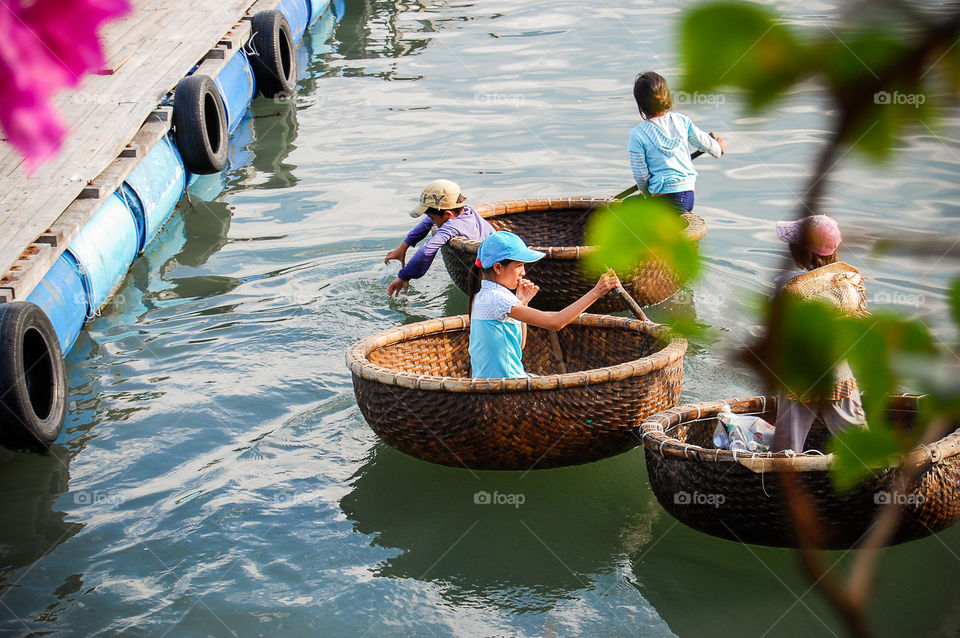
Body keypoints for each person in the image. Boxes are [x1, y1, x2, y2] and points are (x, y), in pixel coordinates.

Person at [770, 215, 869, 452]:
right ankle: (875, 477)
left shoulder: (789, 287)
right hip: (836, 373)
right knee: (856, 434)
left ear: (802, 254)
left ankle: (780, 485)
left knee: (786, 447)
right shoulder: (847, 284)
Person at [467, 231, 620, 379]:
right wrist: (597, 292)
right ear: (498, 268)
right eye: (519, 265)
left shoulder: (482, 295)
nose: (523, 272)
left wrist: (523, 302)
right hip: (507, 385)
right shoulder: (498, 298)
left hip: (491, 383)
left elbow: (519, 346)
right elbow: (555, 322)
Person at [628, 71, 726, 212]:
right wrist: (718, 148)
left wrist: (646, 195)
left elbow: (641, 176)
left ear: (640, 105)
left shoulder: (638, 134)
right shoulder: (682, 121)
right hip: (687, 197)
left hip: (663, 200)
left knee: (627, 205)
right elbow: (704, 142)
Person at [385, 179, 493, 296]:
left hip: (489, 270)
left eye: (433, 218)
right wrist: (403, 247)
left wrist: (404, 276)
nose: (432, 221)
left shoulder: (451, 226)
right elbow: (428, 221)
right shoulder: (468, 211)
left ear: (448, 215)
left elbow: (426, 251)